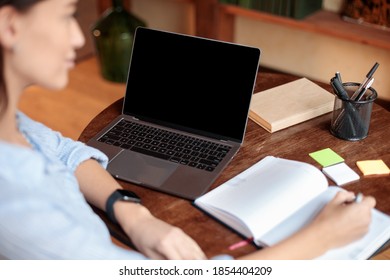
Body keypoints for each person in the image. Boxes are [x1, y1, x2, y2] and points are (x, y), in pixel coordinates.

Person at [0, 0, 376, 260]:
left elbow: (66, 152)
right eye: (66, 15)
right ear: (9, 25)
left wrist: (133, 213)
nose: (80, 38)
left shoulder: (10, 121)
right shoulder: (18, 206)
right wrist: (321, 238)